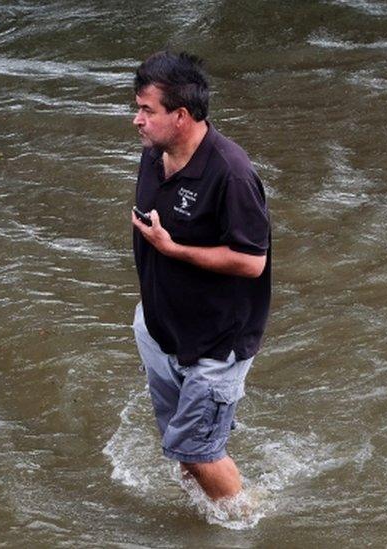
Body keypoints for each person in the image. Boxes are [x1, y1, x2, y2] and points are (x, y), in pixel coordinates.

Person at [129, 51, 271, 501]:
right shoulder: (155, 155)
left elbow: (253, 262)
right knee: (179, 445)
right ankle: (203, 514)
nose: (137, 120)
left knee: (198, 452)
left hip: (215, 344)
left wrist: (175, 250)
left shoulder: (231, 172)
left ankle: (244, 523)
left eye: (147, 110)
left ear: (182, 115)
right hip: (160, 330)